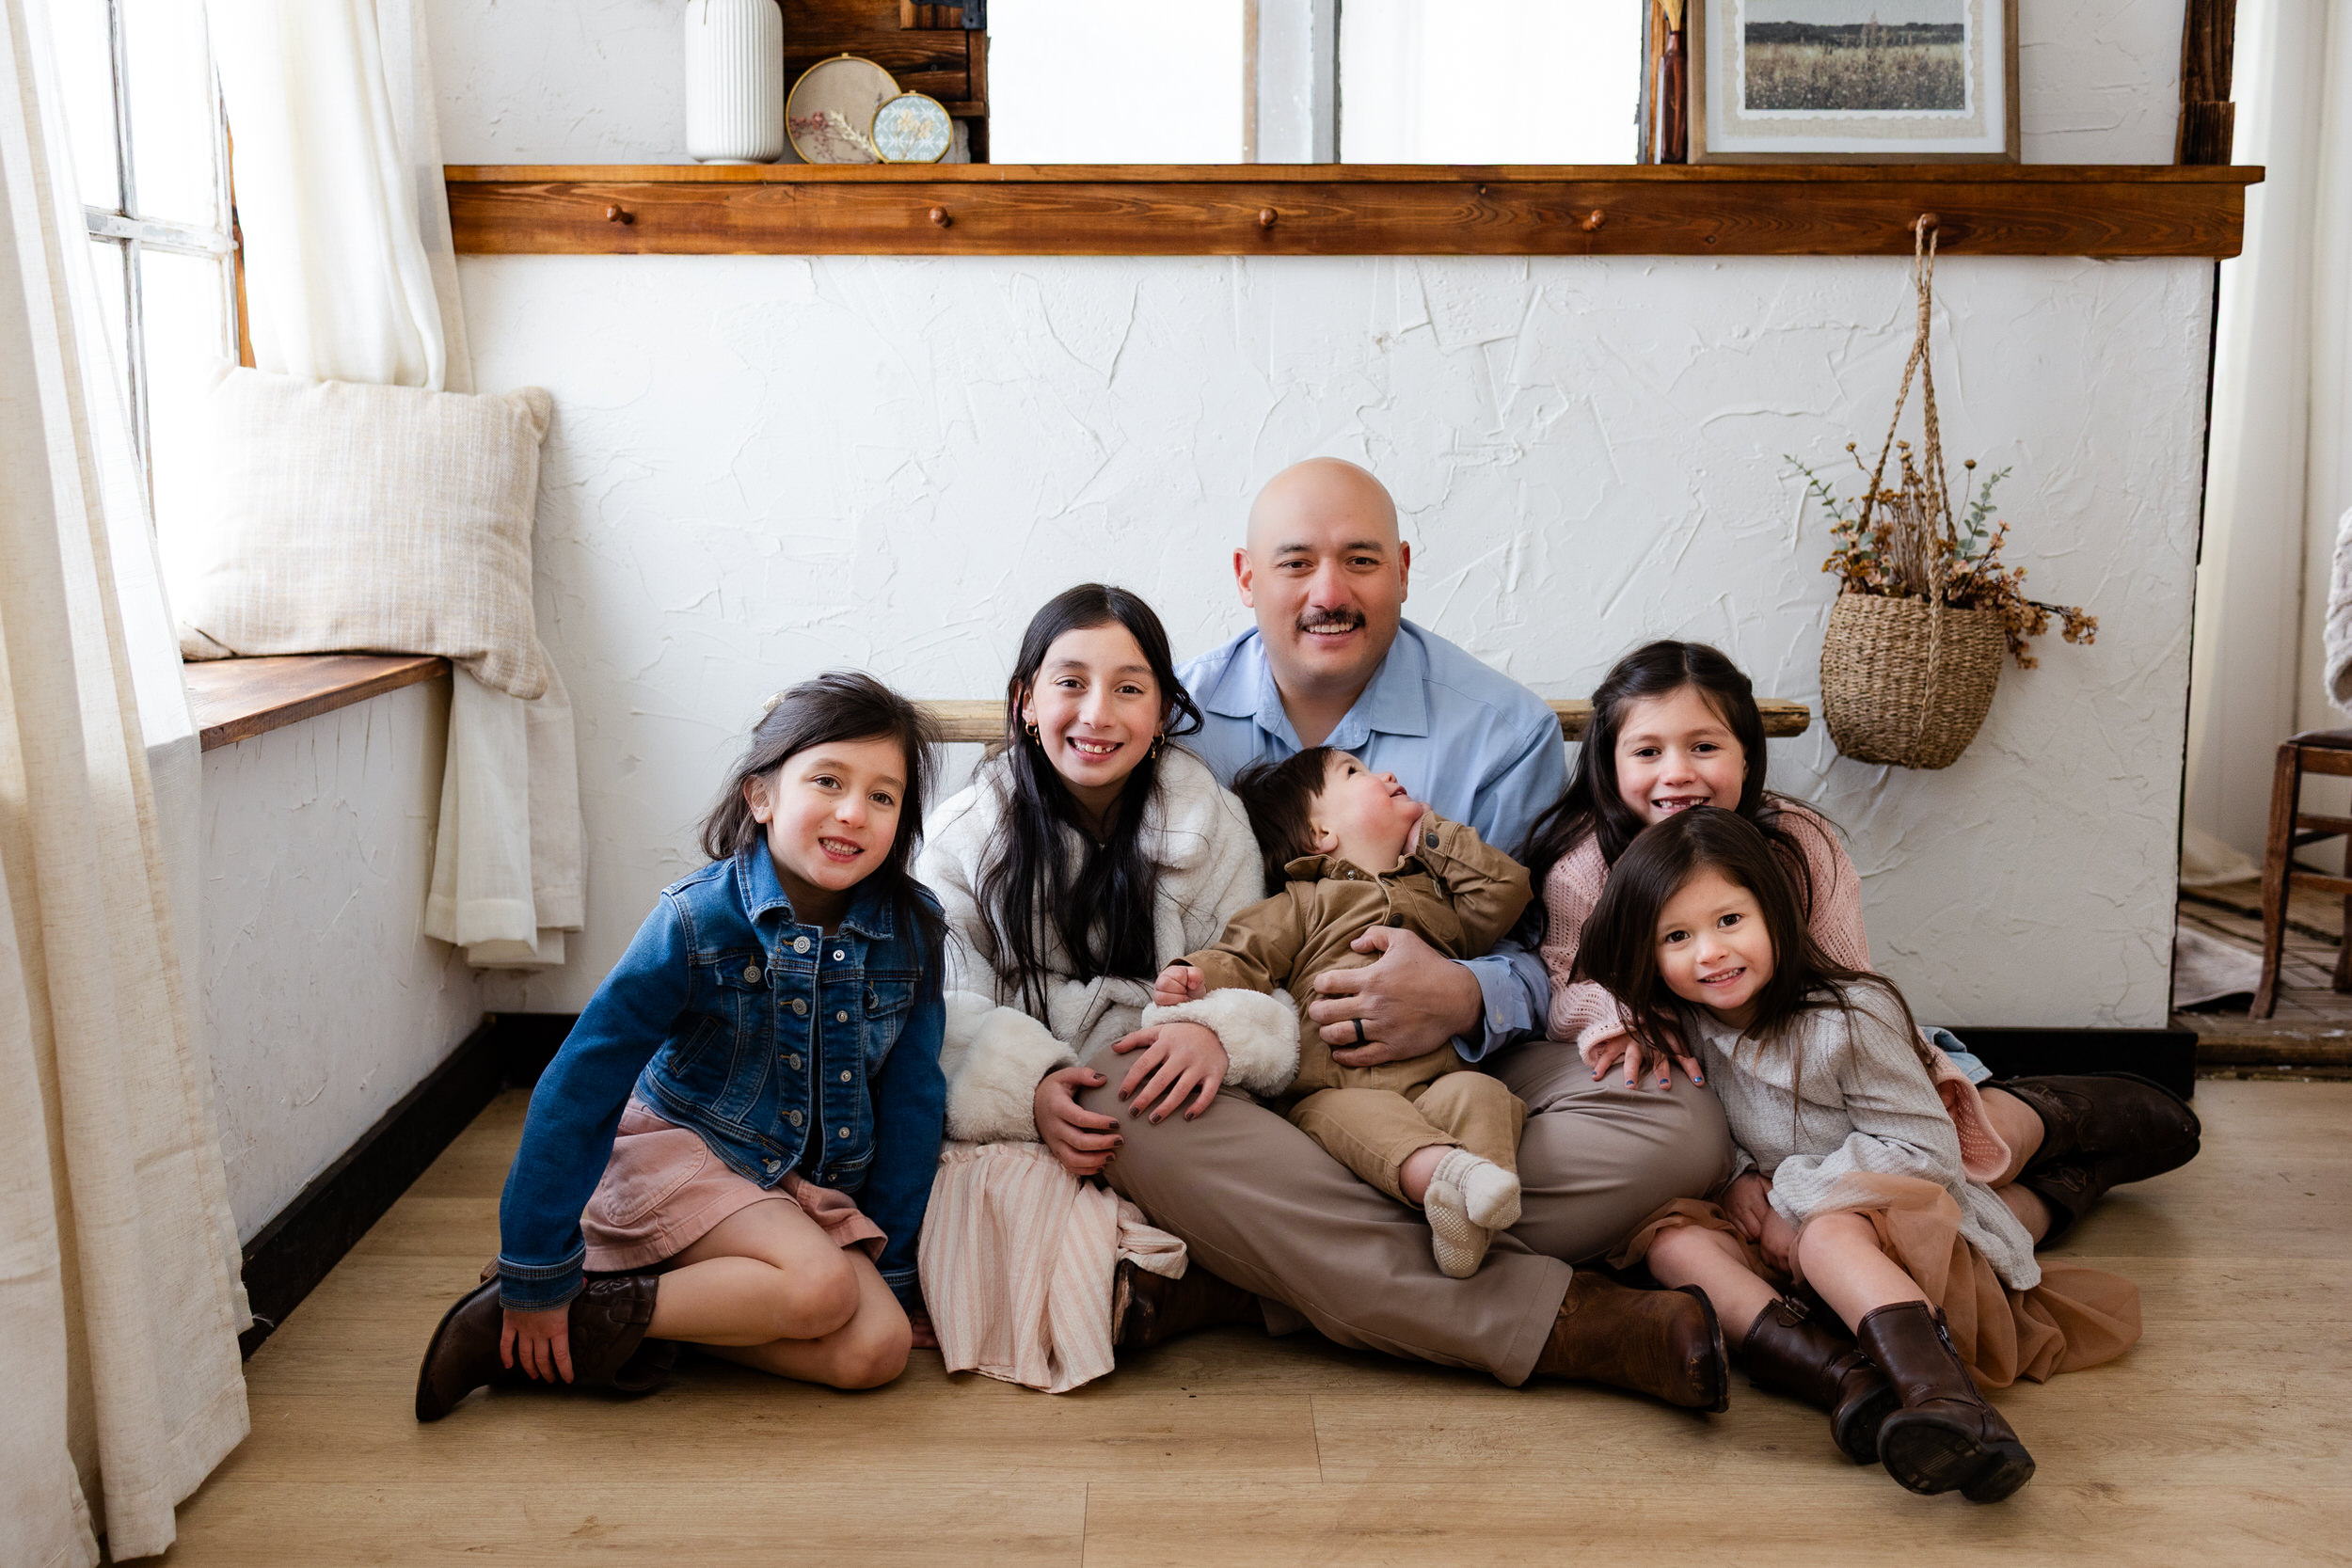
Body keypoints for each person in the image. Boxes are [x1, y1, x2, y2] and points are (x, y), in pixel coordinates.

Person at [1089, 456, 1735, 1407]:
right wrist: (1201, 1010)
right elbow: (1158, 944)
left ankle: (1255, 1271)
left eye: (1358, 561)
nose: (1327, 592)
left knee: (1679, 1121)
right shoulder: (1168, 722)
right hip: (1262, 1081)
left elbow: (1536, 932)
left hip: (1455, 1071)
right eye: (1296, 561)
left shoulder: (1499, 727)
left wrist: (1466, 992)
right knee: (1120, 1090)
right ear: (1244, 575)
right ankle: (1564, 1321)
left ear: (1400, 567)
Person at [1525, 639, 2201, 1243]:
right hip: (1716, 1078)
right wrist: (1620, 1019)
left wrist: (1878, 1111)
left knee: (1947, 1159)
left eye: (1704, 746)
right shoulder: (1586, 866)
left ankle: (2062, 1115)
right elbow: (1565, 976)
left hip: (1830, 1065)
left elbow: (1848, 983)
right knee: (1885, 1223)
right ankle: (2070, 1189)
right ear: (1607, 763)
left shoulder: (1797, 845)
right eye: (1648, 751)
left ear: (1747, 753)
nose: (1677, 772)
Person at [414, 673, 947, 1419]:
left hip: (793, 1183)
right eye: (828, 780)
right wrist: (536, 1257)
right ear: (761, 797)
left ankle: (597, 1321)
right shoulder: (697, 920)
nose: (853, 811)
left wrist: (894, 1272)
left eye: (884, 796)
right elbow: (581, 1080)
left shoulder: (913, 929)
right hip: (690, 1149)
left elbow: (914, 1101)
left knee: (875, 1349)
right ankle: (535, 1300)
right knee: (820, 1289)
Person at [1577, 807, 2139, 1501]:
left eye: (1730, 921)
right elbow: (1718, 1133)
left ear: (1775, 911)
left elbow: (1925, 1151)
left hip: (1899, 1244)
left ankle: (1952, 1406)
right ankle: (1847, 1378)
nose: (1710, 953)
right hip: (1785, 1263)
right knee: (1670, 1243)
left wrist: (1790, 1204)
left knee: (1830, 1237)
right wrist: (1738, 1182)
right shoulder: (1686, 1026)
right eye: (1677, 936)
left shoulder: (1849, 1015)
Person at [914, 584, 1284, 1393]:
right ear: (1024, 702)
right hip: (1029, 1125)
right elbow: (940, 1014)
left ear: (1161, 711)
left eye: (1128, 687)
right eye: (1070, 682)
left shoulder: (1211, 824)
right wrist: (1031, 1088)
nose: (1097, 713)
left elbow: (1251, 962)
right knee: (987, 1197)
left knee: (1240, 1150)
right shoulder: (962, 839)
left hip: (1164, 1098)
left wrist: (1213, 1030)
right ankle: (1211, 1287)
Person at [1152, 748, 1533, 1276]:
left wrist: (1430, 834)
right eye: (1356, 772)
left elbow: (1505, 891)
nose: (1390, 774)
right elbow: (1245, 955)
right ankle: (1451, 1179)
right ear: (1320, 834)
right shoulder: (1305, 902)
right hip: (1340, 1085)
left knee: (1487, 1095)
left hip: (1437, 1079)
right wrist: (1196, 975)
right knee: (1334, 1119)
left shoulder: (1438, 894)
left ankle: (1471, 1217)